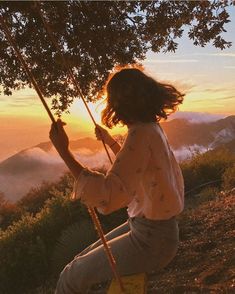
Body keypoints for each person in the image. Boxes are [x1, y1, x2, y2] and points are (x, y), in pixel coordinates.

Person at [50, 67, 185, 294]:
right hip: (155, 232)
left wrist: (64, 151)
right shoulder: (151, 128)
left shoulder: (140, 134)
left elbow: (108, 196)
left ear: (119, 103)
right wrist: (110, 140)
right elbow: (137, 166)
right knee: (79, 260)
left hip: (150, 242)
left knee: (70, 276)